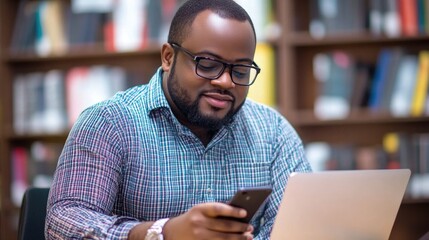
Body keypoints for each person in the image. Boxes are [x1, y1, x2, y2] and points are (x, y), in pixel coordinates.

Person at [45, 0, 312, 239]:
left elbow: (299, 226)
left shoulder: (273, 132)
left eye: (240, 71)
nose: (225, 81)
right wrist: (164, 233)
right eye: (207, 64)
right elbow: (64, 223)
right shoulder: (110, 123)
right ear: (168, 58)